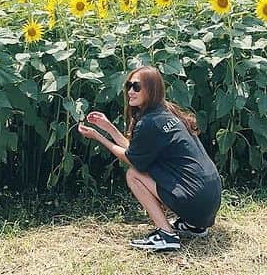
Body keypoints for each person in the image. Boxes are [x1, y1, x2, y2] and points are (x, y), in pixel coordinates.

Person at [77, 65, 222, 252]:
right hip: (209, 199)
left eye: (136, 87)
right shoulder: (167, 112)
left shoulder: (149, 122)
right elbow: (137, 151)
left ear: (151, 90)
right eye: (129, 85)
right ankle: (194, 226)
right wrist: (108, 127)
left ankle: (166, 234)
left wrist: (98, 137)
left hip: (194, 199)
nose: (130, 91)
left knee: (133, 175)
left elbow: (132, 160)